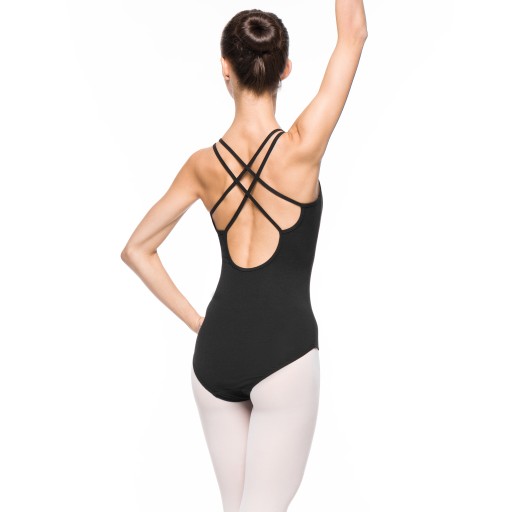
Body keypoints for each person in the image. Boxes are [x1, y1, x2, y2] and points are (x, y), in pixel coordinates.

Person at [121, 1, 367, 510]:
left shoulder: (202, 166)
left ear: (225, 68)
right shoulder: (302, 147)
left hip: (215, 356)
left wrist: (198, 322)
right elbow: (354, 34)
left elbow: (137, 249)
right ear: (286, 69)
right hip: (285, 355)